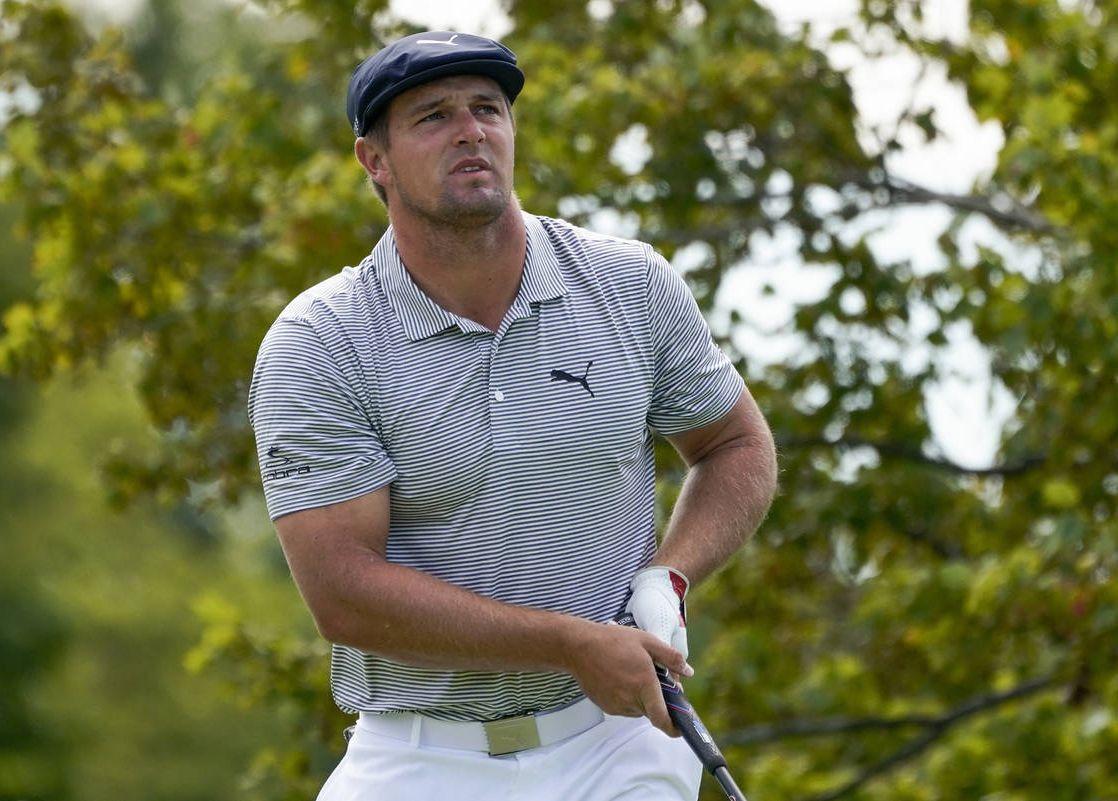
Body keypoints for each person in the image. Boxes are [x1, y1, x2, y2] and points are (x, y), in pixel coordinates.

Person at [248, 30, 777, 801]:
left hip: (617, 741)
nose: (471, 131)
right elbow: (343, 590)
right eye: (432, 116)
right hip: (422, 755)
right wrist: (568, 643)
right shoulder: (322, 342)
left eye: (488, 109)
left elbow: (734, 442)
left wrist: (672, 573)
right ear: (375, 160)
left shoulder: (629, 285)